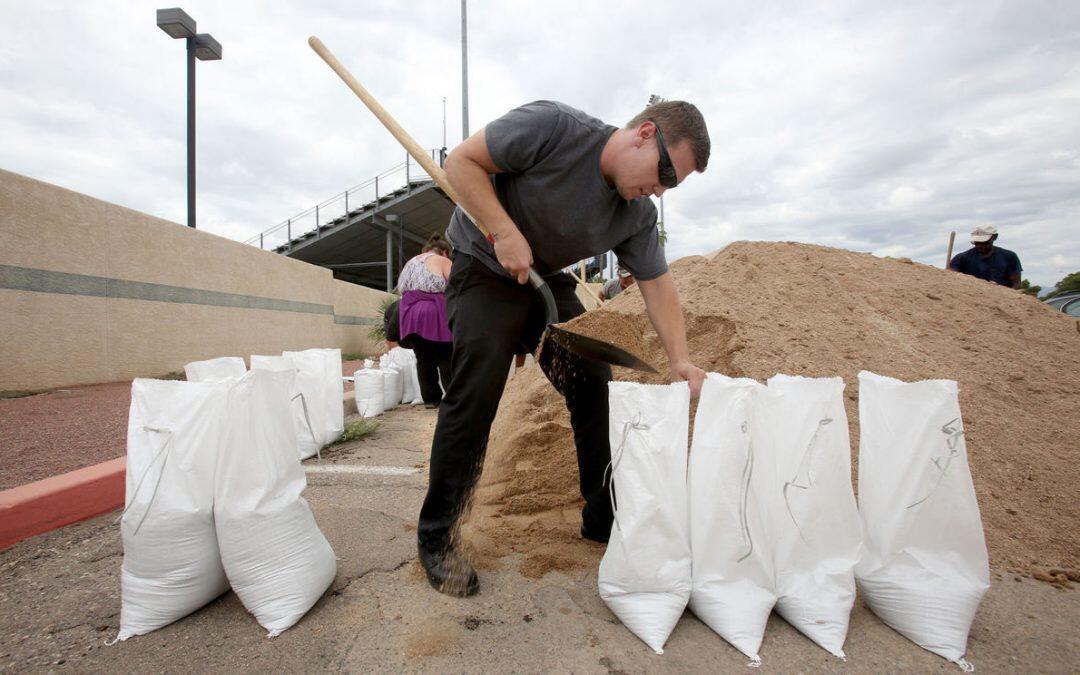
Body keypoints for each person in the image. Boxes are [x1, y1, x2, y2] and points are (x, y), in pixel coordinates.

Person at [417, 99, 710, 597]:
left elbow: (658, 284)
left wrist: (680, 359)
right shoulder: (554, 128)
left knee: (591, 379)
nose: (659, 189)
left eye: (671, 185)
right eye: (664, 171)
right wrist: (502, 229)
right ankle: (439, 536)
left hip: (544, 283)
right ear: (644, 133)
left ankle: (601, 514)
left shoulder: (635, 216)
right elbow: (460, 162)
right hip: (483, 265)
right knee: (477, 392)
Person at [397, 233, 454, 406]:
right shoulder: (442, 260)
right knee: (446, 356)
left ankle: (431, 399)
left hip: (409, 313)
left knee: (423, 358)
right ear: (444, 252)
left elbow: (400, 289)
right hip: (434, 312)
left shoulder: (410, 262)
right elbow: (457, 285)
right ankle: (453, 398)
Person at [949, 225, 1022, 288]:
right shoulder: (961, 259)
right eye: (977, 242)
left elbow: (1016, 284)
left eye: (984, 242)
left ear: (995, 237)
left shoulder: (1009, 257)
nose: (980, 245)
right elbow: (950, 280)